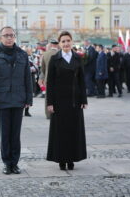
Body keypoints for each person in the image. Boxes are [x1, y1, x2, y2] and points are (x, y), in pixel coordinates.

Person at [0, 26, 33, 175]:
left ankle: (15, 163)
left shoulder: (22, 55)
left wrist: (29, 98)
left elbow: (28, 78)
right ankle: (7, 163)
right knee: (5, 134)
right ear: (0, 38)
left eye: (11, 35)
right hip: (2, 100)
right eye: (6, 35)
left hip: (19, 99)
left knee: (16, 134)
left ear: (15, 37)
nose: (9, 38)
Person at [46, 31, 87, 171]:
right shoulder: (54, 59)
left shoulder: (77, 58)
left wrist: (84, 99)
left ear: (72, 42)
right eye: (63, 41)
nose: (66, 43)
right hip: (59, 101)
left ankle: (72, 158)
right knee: (60, 131)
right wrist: (49, 103)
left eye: (68, 40)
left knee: (73, 131)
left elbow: (82, 80)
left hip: (75, 100)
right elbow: (49, 82)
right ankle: (61, 159)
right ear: (59, 43)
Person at [38, 39, 59, 119]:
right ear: (57, 44)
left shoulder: (45, 54)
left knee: (48, 97)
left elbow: (42, 69)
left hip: (48, 79)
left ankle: (48, 114)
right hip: (58, 79)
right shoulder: (60, 53)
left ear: (51, 44)